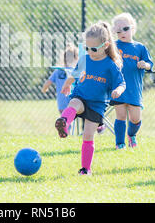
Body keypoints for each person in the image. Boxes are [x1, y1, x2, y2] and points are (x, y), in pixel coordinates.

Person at [54, 21, 126, 175]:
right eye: (87, 48)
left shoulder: (110, 65)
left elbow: (121, 83)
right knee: (73, 103)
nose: (90, 52)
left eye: (94, 49)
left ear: (106, 45)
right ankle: (64, 123)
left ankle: (85, 169)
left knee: (88, 136)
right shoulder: (85, 59)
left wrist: (118, 91)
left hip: (97, 104)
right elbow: (75, 74)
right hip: (81, 96)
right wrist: (67, 85)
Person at [110, 13, 153, 149]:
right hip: (118, 87)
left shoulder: (140, 47)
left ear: (133, 28)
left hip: (134, 88)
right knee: (121, 116)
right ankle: (120, 143)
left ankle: (131, 135)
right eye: (118, 31)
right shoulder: (113, 46)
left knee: (135, 119)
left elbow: (150, 64)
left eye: (126, 28)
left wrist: (144, 65)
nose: (122, 32)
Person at [41, 43, 79, 133]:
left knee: (64, 118)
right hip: (74, 101)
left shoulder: (58, 71)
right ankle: (69, 132)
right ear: (76, 58)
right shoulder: (75, 71)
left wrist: (44, 89)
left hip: (61, 102)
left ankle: (66, 132)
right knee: (70, 119)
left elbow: (48, 83)